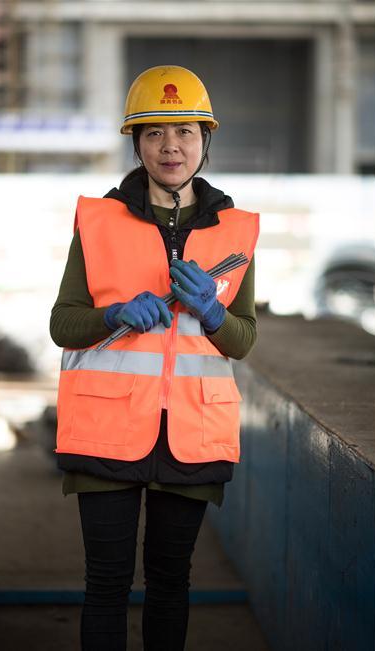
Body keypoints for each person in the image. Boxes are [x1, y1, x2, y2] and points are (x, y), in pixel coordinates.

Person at [49, 65, 259, 650]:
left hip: (192, 432)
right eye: (154, 132)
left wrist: (213, 314)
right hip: (106, 430)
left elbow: (243, 339)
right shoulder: (98, 221)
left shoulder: (236, 231)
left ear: (204, 140)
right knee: (107, 583)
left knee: (170, 583)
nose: (171, 146)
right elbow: (62, 323)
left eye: (185, 131)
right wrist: (113, 315)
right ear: (136, 143)